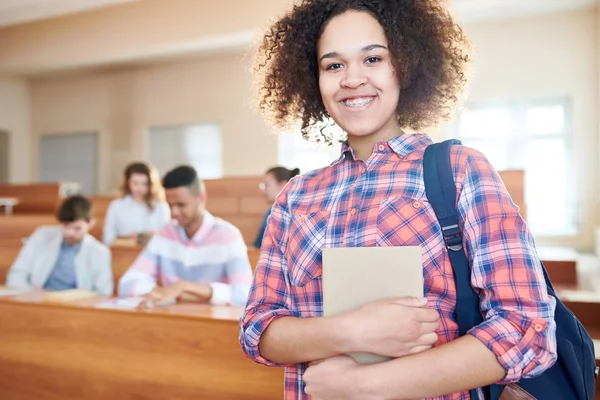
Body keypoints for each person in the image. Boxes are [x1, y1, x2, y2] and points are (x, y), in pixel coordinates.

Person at [239, 1, 557, 399]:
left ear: (406, 65)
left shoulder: (460, 172)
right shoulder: (295, 197)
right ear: (313, 80)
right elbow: (258, 329)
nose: (352, 79)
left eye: (373, 58)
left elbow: (527, 331)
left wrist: (362, 385)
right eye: (333, 65)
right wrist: (353, 330)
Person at [118, 165, 253, 308]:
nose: (174, 213)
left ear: (201, 198)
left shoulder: (228, 236)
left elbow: (245, 294)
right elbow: (126, 284)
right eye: (170, 205)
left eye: (181, 205)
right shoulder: (165, 235)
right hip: (172, 322)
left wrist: (183, 287)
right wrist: (168, 293)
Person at [7, 195, 113, 296]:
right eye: (65, 226)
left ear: (91, 223)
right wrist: (29, 292)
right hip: (37, 299)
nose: (69, 233)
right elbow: (17, 274)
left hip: (75, 307)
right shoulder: (42, 235)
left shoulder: (99, 252)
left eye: (77, 228)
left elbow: (103, 292)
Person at [103, 162, 170, 246]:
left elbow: (168, 238)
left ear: (151, 185)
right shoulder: (116, 206)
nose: (139, 188)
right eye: (135, 183)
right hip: (125, 253)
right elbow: (107, 239)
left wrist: (154, 234)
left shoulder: (161, 207)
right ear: (128, 183)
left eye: (144, 184)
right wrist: (129, 240)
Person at [253, 166, 300, 249]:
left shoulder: (296, 213)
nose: (263, 190)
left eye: (266, 185)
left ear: (283, 185)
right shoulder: (270, 212)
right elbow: (259, 245)